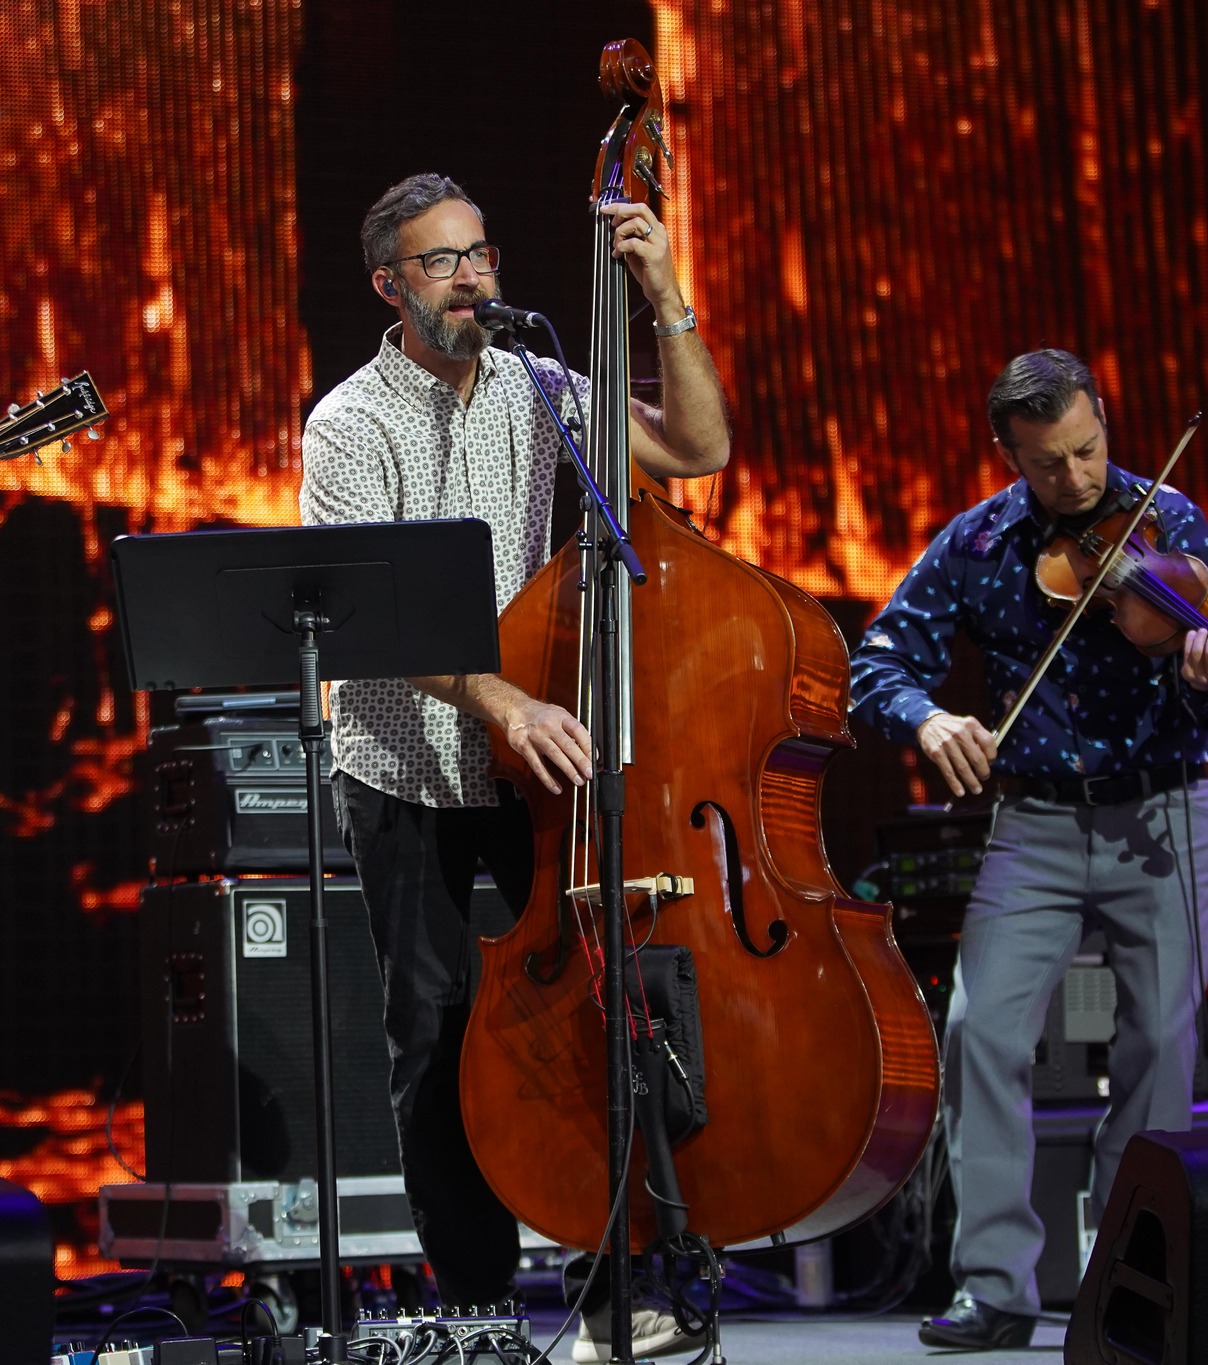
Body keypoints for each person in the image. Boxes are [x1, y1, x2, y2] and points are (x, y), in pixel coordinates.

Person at [299, 173, 728, 1361]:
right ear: (390, 286)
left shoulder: (547, 387)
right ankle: (480, 1304)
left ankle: (613, 1291)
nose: (474, 276)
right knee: (431, 1038)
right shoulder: (346, 424)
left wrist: (661, 292)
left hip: (541, 762)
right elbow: (374, 617)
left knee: (595, 1019)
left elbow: (694, 448)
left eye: (479, 253)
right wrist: (497, 698)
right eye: (442, 263)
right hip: (407, 762)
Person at [849, 349, 1208, 1350]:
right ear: (1007, 453)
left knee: (1158, 1053)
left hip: (1160, 813)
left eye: (1085, 452)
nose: (1074, 483)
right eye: (1046, 465)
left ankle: (1123, 1280)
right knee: (977, 1033)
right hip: (1030, 822)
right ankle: (993, 1286)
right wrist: (928, 718)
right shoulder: (978, 541)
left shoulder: (1171, 523)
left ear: (1103, 423)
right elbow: (877, 662)